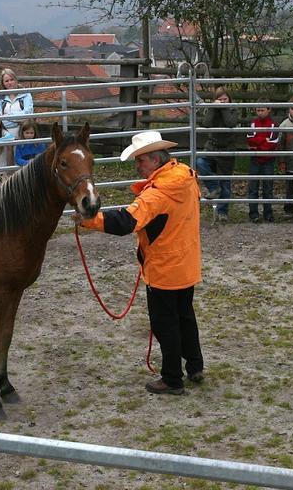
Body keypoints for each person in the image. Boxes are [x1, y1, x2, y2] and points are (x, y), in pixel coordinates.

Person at [75, 131, 204, 396]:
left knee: (164, 323)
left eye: (140, 161)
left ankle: (171, 378)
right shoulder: (186, 177)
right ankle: (195, 366)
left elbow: (126, 222)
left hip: (164, 268)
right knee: (185, 316)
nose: (138, 166)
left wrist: (90, 220)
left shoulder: (157, 193)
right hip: (186, 263)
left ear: (155, 160)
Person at [195, 86, 238, 221]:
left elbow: (230, 123)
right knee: (200, 162)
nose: (223, 101)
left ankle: (222, 212)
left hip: (227, 149)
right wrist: (213, 108)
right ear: (215, 100)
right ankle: (214, 187)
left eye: (225, 99)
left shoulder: (232, 109)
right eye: (220, 99)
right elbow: (206, 123)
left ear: (229, 100)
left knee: (225, 182)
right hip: (212, 147)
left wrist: (224, 108)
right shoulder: (212, 109)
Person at [246, 100, 279, 222]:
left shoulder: (273, 125)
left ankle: (268, 213)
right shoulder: (253, 124)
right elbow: (250, 140)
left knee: (268, 187)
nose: (260, 112)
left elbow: (273, 143)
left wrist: (258, 143)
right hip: (255, 159)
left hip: (268, 160)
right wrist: (263, 140)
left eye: (262, 110)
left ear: (269, 110)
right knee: (253, 187)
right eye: (258, 110)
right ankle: (253, 213)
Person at [0, 68, 34, 138]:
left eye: (12, 80)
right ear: (3, 83)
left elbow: (28, 114)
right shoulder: (1, 98)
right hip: (5, 135)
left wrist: (8, 116)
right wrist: (17, 121)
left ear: (15, 80)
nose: (10, 83)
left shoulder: (26, 94)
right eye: (6, 81)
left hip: (23, 134)